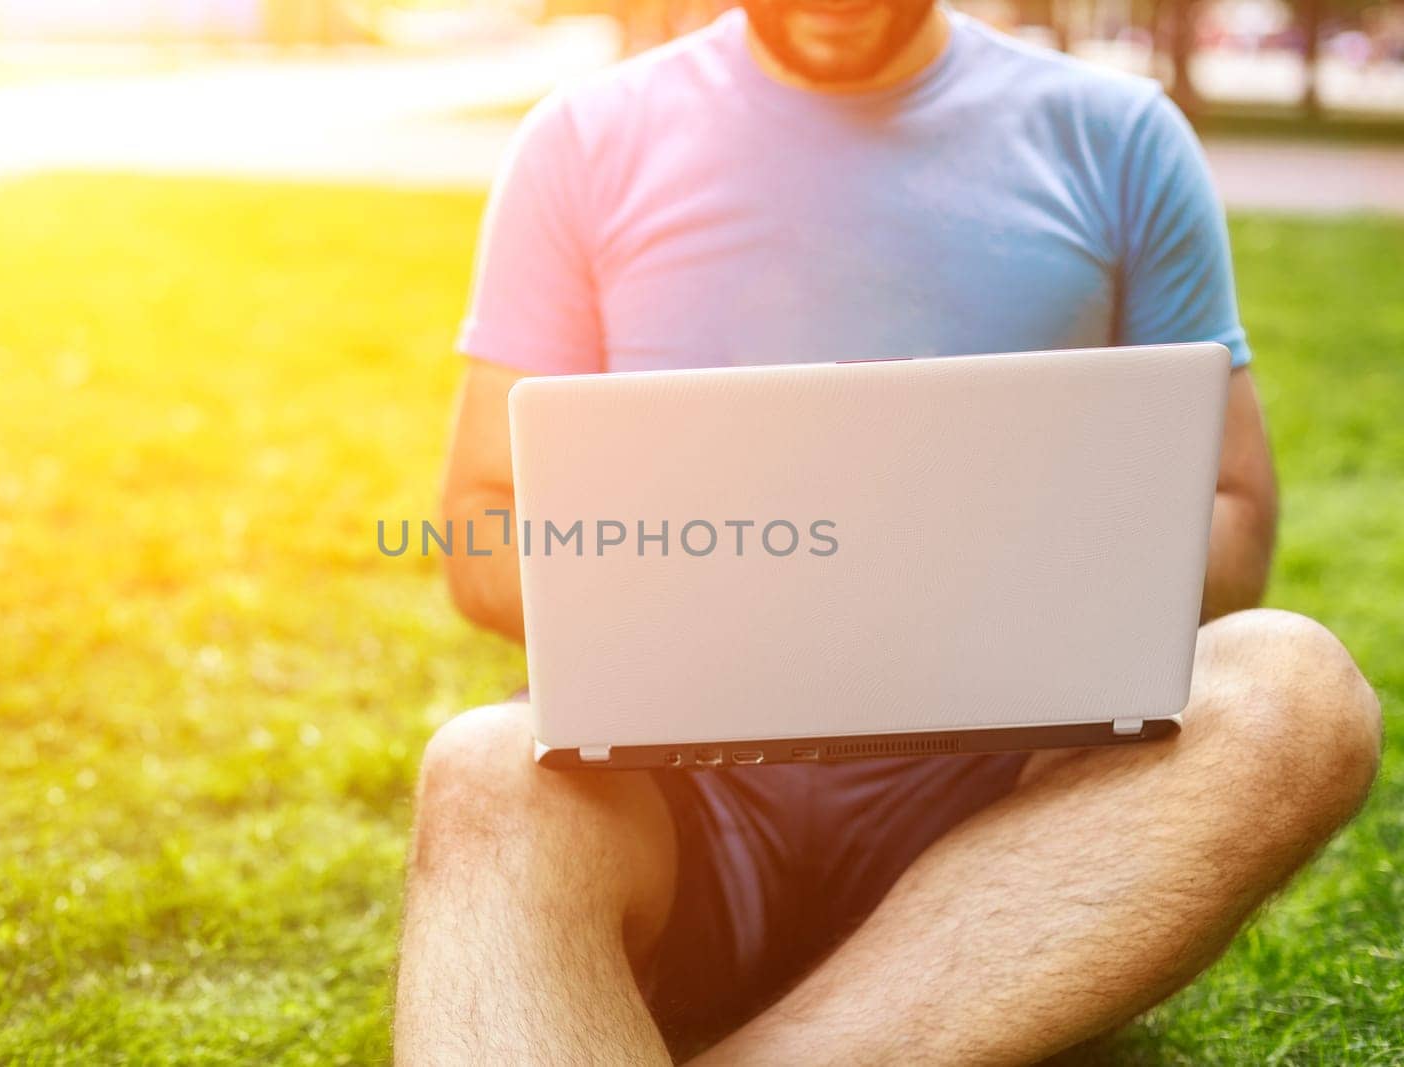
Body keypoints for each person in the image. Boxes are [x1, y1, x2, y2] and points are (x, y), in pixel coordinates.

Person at [393, 0, 1383, 1060]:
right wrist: (716, 575)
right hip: (680, 799)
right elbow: (479, 524)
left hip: (1016, 813)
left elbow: (1231, 510)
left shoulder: (1118, 138)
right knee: (482, 765)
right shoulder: (582, 141)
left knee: (1295, 686)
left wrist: (981, 580)